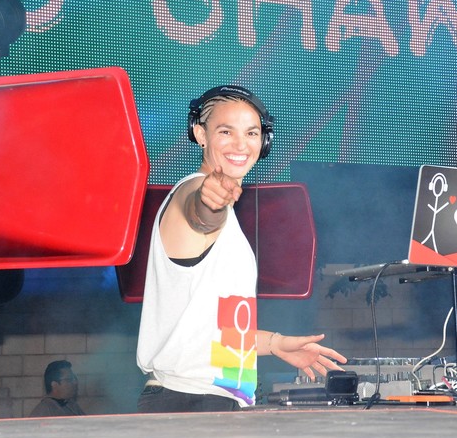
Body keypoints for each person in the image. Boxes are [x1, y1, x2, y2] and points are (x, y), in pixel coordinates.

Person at [136, 84, 347, 412]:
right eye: (225, 131)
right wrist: (209, 203)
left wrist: (276, 344)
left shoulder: (229, 221)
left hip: (210, 400)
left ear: (264, 142)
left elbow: (214, 335)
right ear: (200, 134)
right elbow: (200, 214)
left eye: (251, 133)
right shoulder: (192, 190)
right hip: (188, 402)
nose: (240, 144)